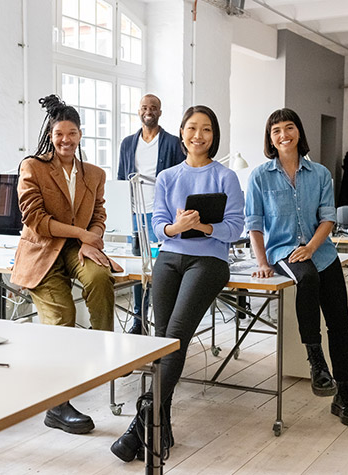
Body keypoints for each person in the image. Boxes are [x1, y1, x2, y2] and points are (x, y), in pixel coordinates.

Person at [111, 105, 245, 462]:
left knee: (177, 334)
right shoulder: (168, 176)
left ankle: (140, 419)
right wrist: (177, 228)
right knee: (162, 341)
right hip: (169, 257)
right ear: (182, 133)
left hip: (210, 260)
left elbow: (235, 229)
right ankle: (159, 428)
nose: (197, 135)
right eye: (191, 128)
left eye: (205, 129)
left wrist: (201, 227)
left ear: (214, 136)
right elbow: (158, 226)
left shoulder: (225, 177)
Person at [245, 108, 348, 428]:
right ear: (270, 139)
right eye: (276, 131)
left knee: (340, 323)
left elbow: (328, 219)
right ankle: (315, 361)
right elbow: (254, 225)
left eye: (289, 128)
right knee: (306, 278)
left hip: (320, 251)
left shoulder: (321, 174)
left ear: (299, 132)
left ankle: (345, 396)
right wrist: (262, 263)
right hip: (283, 251)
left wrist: (311, 247)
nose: (284, 135)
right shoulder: (259, 176)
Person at [11, 94, 116, 434]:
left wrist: (92, 237)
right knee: (62, 319)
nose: (65, 140)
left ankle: (107, 351)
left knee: (100, 277)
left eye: (72, 133)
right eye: (59, 134)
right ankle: (56, 406)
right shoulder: (33, 167)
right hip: (42, 251)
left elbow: (99, 214)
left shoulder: (95, 174)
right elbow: (36, 219)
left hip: (77, 249)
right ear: (50, 135)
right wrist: (83, 235)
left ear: (81, 135)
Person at [117, 94, 185, 335]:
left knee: (163, 268)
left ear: (160, 112)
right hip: (135, 214)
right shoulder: (127, 143)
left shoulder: (173, 142)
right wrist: (121, 217)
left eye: (153, 108)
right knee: (138, 269)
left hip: (160, 214)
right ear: (138, 112)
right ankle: (139, 319)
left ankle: (166, 321)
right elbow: (120, 180)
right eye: (145, 107)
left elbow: (181, 180)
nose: (149, 111)